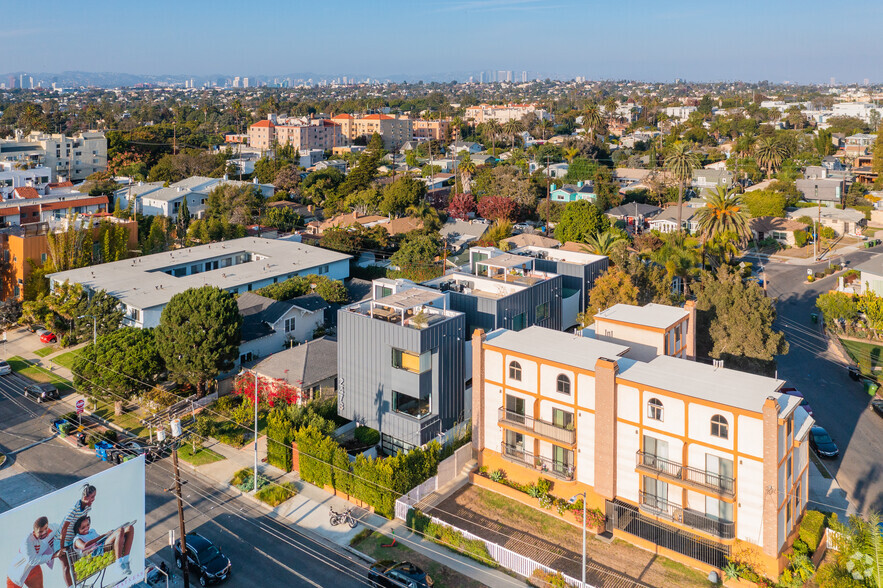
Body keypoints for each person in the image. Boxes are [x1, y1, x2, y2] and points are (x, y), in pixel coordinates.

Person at [6, 516, 62, 588]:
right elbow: (32, 561)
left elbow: (64, 530)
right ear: (34, 531)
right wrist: (53, 555)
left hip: (33, 569)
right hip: (16, 573)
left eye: (46, 529)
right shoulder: (27, 541)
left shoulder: (54, 528)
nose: (44, 533)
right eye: (40, 531)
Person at [58, 484, 96, 588]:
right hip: (61, 540)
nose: (93, 499)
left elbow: (82, 522)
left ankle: (79, 585)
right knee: (66, 566)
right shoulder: (73, 510)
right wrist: (61, 547)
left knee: (76, 562)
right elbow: (64, 529)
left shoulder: (88, 507)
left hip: (72, 539)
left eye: (94, 496)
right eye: (92, 497)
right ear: (85, 497)